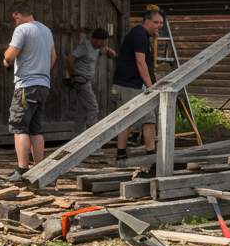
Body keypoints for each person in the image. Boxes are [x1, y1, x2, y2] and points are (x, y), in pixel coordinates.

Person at [2, 2, 56, 183]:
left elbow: (10, 55)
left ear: (18, 15)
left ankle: (21, 170)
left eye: (14, 18)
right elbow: (53, 58)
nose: (14, 21)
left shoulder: (22, 29)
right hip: (43, 84)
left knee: (20, 127)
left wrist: (6, 60)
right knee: (36, 129)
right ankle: (40, 169)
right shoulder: (46, 30)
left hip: (26, 85)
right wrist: (41, 70)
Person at [113, 9, 165, 156]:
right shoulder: (140, 35)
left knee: (127, 119)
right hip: (130, 84)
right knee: (148, 119)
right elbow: (140, 62)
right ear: (146, 21)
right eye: (156, 22)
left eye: (161, 23)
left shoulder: (141, 34)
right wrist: (150, 87)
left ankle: (121, 153)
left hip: (127, 84)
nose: (159, 26)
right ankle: (151, 155)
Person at [65, 28, 115, 128]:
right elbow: (70, 58)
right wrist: (73, 76)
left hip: (86, 81)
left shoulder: (98, 48)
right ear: (96, 39)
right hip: (81, 81)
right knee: (93, 108)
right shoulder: (85, 46)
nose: (103, 44)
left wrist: (108, 49)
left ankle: (78, 137)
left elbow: (113, 55)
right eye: (103, 42)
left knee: (82, 111)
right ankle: (94, 136)